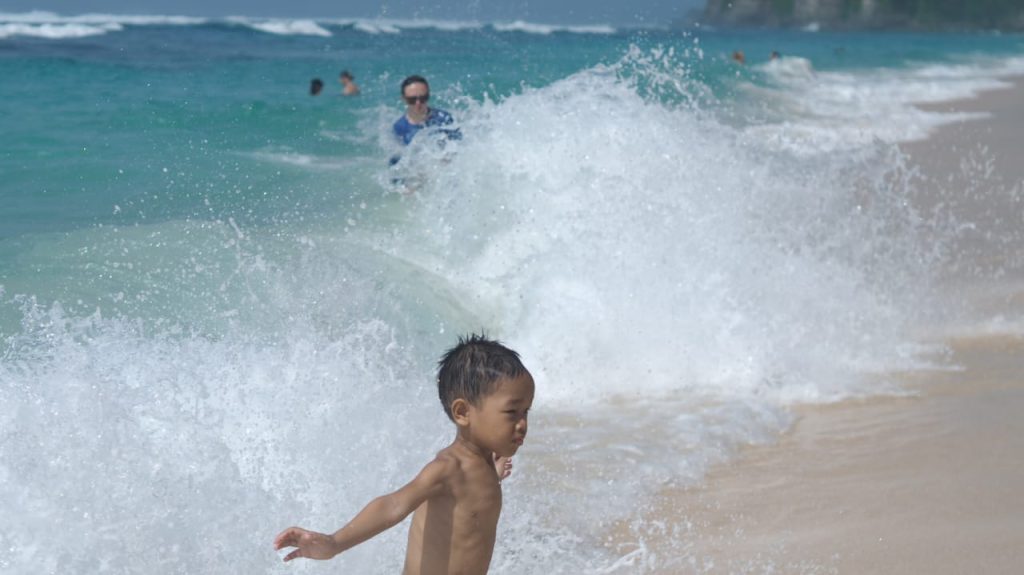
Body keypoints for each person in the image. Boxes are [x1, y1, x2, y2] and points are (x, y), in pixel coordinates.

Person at [273, 334, 535, 575]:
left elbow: (466, 510)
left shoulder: (482, 464)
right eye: (512, 412)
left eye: (526, 412)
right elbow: (392, 505)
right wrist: (334, 543)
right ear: (463, 413)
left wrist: (493, 477)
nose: (522, 423)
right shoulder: (448, 468)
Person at [392, 75, 461, 146]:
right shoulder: (399, 127)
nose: (418, 103)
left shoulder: (444, 119)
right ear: (404, 99)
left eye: (423, 98)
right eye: (412, 100)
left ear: (428, 96)